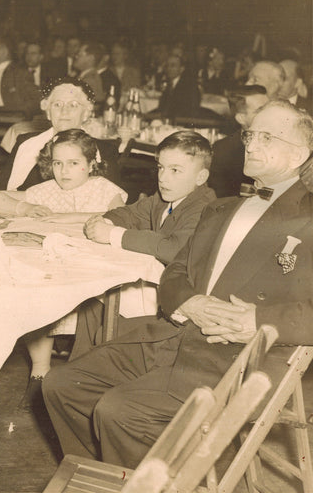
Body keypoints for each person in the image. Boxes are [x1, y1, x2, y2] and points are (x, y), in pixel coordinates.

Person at [44, 100, 313, 469]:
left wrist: (259, 320)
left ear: (300, 153)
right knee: (60, 385)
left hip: (241, 358)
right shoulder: (222, 208)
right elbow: (176, 271)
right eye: (251, 134)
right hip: (174, 336)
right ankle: (112, 477)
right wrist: (187, 302)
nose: (251, 144)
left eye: (268, 137)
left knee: (119, 411)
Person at [0, 129, 126, 406]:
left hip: (90, 267)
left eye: (74, 163)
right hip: (51, 267)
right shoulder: (42, 191)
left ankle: (87, 373)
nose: (64, 171)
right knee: (35, 289)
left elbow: (118, 215)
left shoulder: (105, 189)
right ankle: (40, 370)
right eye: (57, 163)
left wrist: (62, 217)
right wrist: (24, 209)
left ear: (90, 163)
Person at [80, 131, 217, 354]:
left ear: (200, 177)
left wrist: (113, 234)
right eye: (161, 167)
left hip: (178, 308)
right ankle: (79, 370)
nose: (163, 177)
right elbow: (130, 213)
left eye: (175, 170)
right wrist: (104, 221)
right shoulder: (163, 199)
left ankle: (89, 369)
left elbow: (172, 247)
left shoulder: (204, 207)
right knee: (91, 302)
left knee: (102, 310)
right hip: (154, 289)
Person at [0, 78, 120, 191]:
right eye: (57, 105)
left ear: (86, 113)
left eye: (73, 105)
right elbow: (4, 189)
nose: (64, 111)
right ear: (48, 113)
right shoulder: (25, 143)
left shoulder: (105, 151)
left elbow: (111, 202)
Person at [208, 85, 269, 197]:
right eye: (260, 110)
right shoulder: (222, 151)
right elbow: (221, 201)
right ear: (241, 118)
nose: (270, 114)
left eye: (270, 107)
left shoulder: (284, 143)